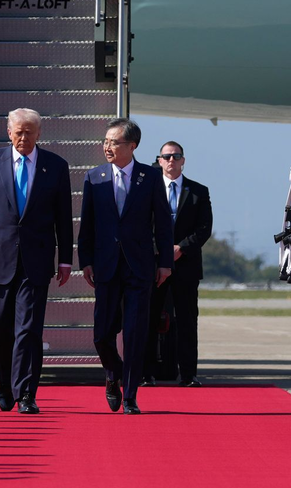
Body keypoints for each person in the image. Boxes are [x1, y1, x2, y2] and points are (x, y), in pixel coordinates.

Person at [0, 108, 73, 414]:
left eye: (30, 132)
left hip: (37, 259)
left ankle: (26, 392)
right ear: (8, 132)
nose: (24, 137)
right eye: (19, 131)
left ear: (39, 134)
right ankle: (4, 383)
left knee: (29, 329)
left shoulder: (55, 166)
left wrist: (65, 259)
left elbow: (63, 218)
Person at [79, 118, 174, 414]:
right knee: (101, 334)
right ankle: (114, 373)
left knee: (134, 332)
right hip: (106, 265)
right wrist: (86, 261)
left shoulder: (150, 176)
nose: (107, 147)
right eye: (105, 141)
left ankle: (131, 395)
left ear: (132, 146)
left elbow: (163, 223)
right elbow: (88, 225)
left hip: (140, 266)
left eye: (114, 142)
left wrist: (165, 263)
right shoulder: (94, 177)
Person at [143, 141, 211, 387]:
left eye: (176, 156)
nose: (171, 160)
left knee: (187, 319)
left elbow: (204, 229)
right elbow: (141, 225)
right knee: (149, 318)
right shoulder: (148, 189)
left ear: (183, 161)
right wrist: (160, 251)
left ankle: (189, 374)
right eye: (166, 156)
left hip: (186, 265)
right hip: (153, 264)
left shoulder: (198, 192)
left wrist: (181, 248)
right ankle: (146, 373)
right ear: (159, 160)